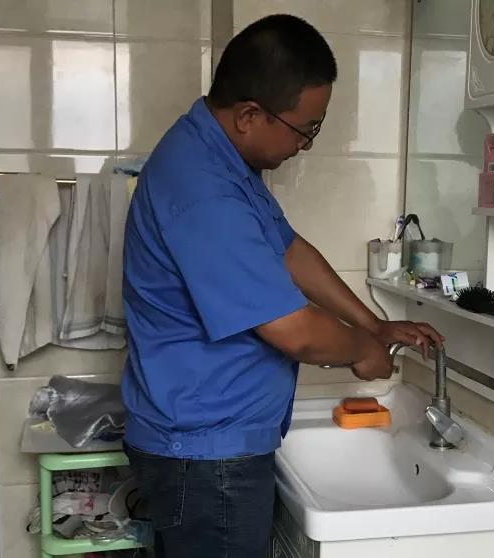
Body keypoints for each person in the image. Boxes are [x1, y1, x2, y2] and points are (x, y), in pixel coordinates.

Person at [121, 14, 443, 558]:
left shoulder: (220, 159)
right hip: (205, 456)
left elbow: (290, 251)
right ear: (250, 115)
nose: (306, 144)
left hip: (209, 443)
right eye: (305, 129)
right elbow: (294, 331)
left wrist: (374, 324)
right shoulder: (204, 190)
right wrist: (362, 351)